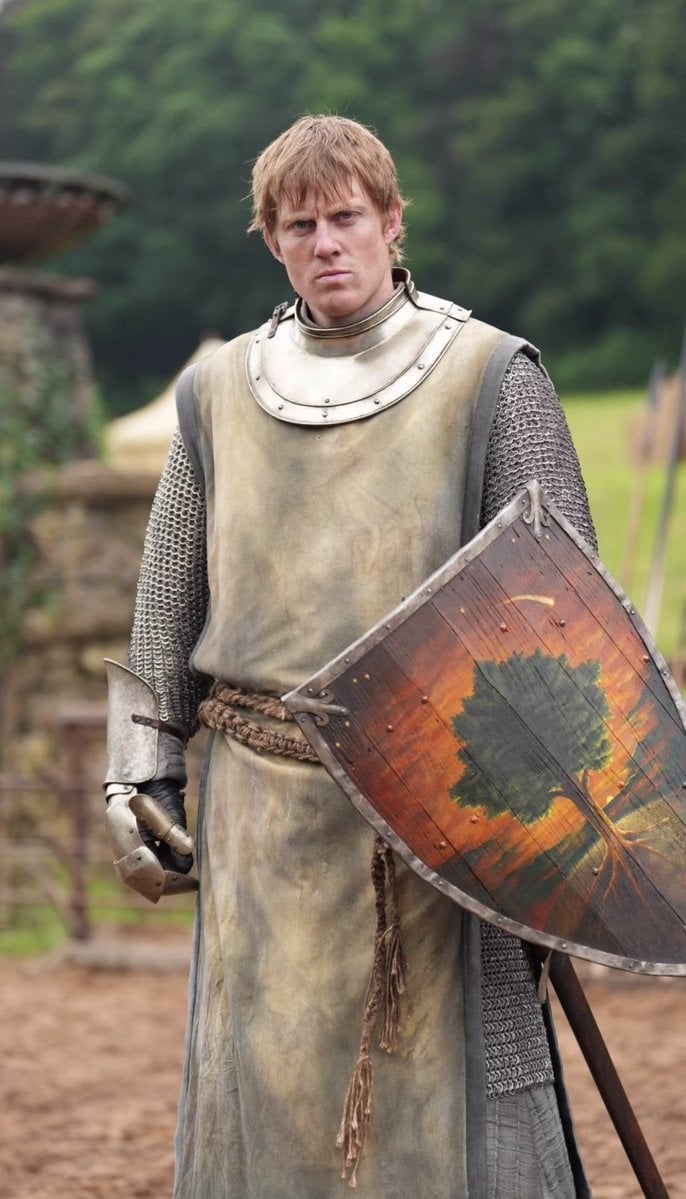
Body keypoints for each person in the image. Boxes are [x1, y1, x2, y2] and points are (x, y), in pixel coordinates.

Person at [105, 114, 595, 1198]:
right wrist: (139, 770)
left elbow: (562, 618)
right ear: (271, 239)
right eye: (299, 226)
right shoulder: (218, 394)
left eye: (345, 218)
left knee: (453, 1096)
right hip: (258, 817)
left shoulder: (487, 376)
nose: (325, 243)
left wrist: (544, 820)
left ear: (390, 219)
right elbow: (168, 597)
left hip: (435, 816)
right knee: (265, 1092)